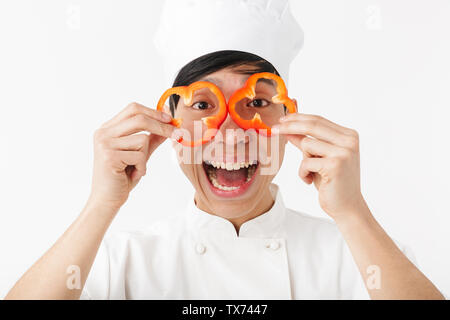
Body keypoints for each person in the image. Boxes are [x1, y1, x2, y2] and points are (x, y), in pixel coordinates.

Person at [5, 0, 444, 300]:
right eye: (203, 105)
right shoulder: (122, 261)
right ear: (168, 123)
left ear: (290, 119)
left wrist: (352, 211)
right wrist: (101, 203)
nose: (232, 135)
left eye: (256, 103)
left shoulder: (356, 257)